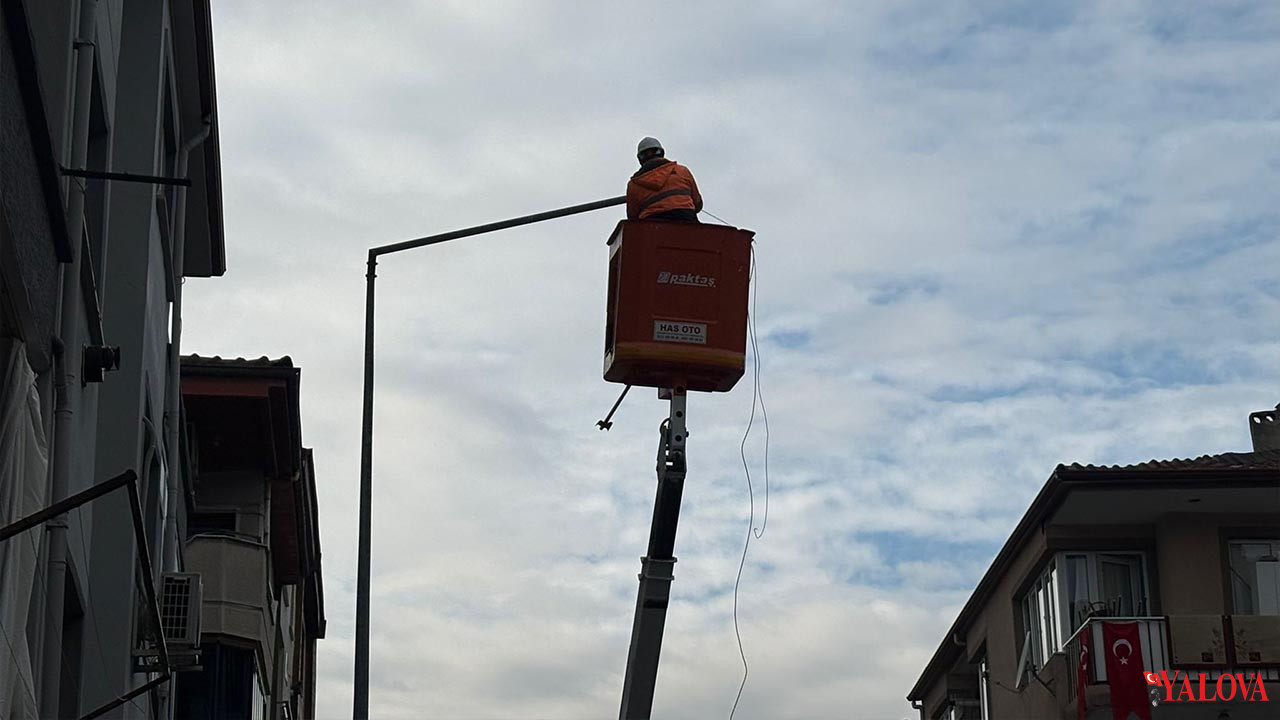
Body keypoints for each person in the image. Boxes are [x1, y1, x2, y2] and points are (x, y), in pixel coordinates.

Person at [626, 137, 703, 222]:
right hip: (686, 220)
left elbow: (633, 218)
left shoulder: (634, 185)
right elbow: (698, 203)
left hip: (651, 226)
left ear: (640, 158)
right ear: (661, 153)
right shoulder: (682, 171)